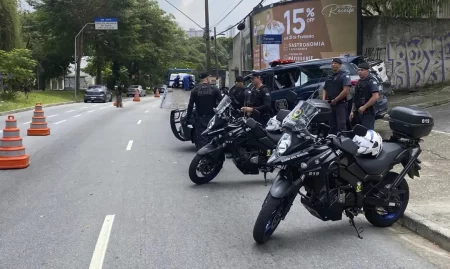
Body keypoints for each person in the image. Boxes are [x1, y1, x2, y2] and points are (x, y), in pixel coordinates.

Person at [185, 72, 222, 149]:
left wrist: (188, 118)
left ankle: (202, 156)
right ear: (207, 79)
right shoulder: (214, 89)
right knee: (212, 137)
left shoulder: (195, 90)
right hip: (212, 118)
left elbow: (190, 105)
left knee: (202, 138)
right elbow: (222, 103)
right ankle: (212, 155)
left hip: (200, 118)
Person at [322, 58, 351, 134]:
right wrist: (324, 100)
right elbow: (325, 89)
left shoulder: (344, 76)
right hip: (330, 104)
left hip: (340, 104)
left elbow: (346, 90)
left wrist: (335, 100)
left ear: (340, 65)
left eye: (335, 63)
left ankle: (342, 142)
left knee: (341, 125)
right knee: (332, 126)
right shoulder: (329, 76)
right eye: (332, 63)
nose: (333, 64)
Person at [350, 62, 380, 130]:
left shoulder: (371, 81)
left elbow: (375, 96)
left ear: (367, 70)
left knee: (368, 133)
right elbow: (355, 98)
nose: (360, 71)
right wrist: (352, 111)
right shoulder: (358, 82)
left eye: (362, 70)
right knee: (358, 133)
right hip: (358, 112)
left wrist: (364, 107)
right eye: (359, 70)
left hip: (367, 112)